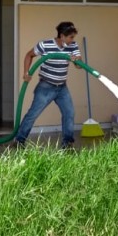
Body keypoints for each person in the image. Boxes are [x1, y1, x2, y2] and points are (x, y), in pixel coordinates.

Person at [14, 21, 82, 149]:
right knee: (33, 114)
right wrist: (26, 72)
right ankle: (19, 141)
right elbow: (29, 55)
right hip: (46, 87)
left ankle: (68, 143)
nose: (72, 40)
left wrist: (77, 60)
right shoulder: (45, 45)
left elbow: (79, 66)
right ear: (62, 36)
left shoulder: (73, 46)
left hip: (62, 88)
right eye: (70, 37)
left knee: (69, 113)